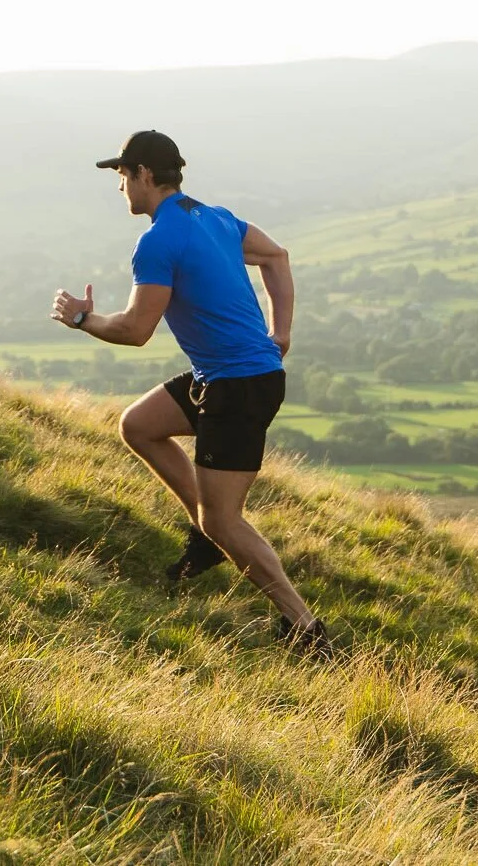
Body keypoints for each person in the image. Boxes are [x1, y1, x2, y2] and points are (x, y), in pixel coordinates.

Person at [50, 130, 332, 656]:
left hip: (238, 386)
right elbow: (277, 257)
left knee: (225, 518)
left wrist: (83, 318)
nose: (120, 190)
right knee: (139, 425)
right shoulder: (217, 218)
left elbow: (136, 330)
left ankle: (306, 629)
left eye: (122, 177)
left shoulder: (159, 241)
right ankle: (207, 536)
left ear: (145, 176)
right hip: (228, 375)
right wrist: (283, 331)